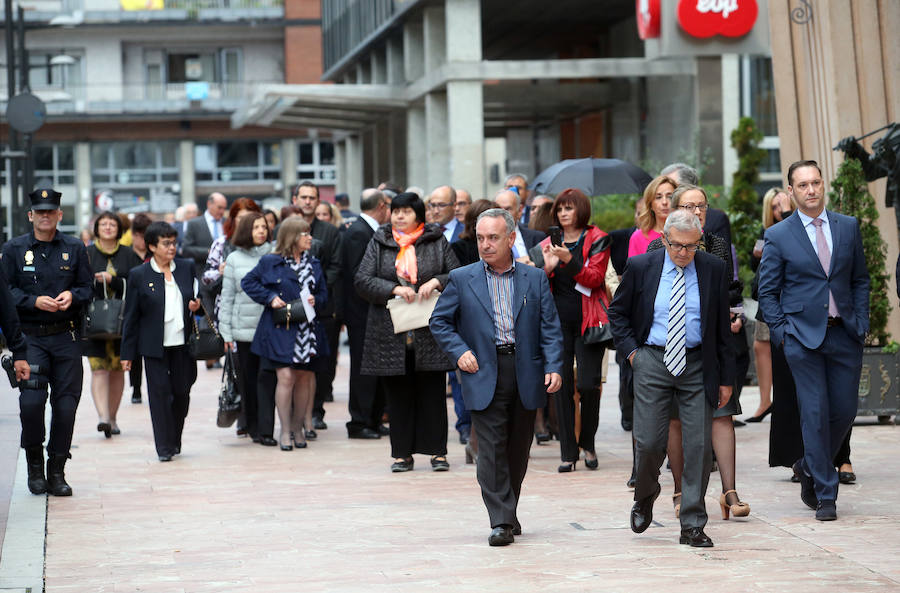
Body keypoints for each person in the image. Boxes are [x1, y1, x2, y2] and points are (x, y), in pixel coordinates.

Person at [430, 208, 563, 546]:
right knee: (489, 449)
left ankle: (509, 508)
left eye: (493, 238)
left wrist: (554, 366)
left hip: (525, 371)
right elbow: (439, 322)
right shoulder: (462, 278)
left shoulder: (533, 279)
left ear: (511, 239)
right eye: (480, 238)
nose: (486, 245)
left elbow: (549, 327)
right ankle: (500, 520)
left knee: (518, 448)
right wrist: (459, 351)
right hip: (482, 370)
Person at [608, 209, 735, 548]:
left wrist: (725, 377)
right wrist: (633, 354)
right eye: (677, 245)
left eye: (692, 246)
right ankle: (645, 494)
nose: (684, 253)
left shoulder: (713, 269)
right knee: (649, 442)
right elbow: (617, 313)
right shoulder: (640, 267)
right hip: (652, 358)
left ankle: (692, 522)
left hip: (697, 363)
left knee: (698, 447)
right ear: (663, 239)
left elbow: (722, 328)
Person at [758, 159, 870, 521]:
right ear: (791, 191)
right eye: (803, 185)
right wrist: (782, 334)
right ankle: (826, 493)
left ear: (824, 185)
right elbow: (768, 292)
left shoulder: (848, 227)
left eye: (816, 183)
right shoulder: (779, 235)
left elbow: (860, 280)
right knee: (815, 413)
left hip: (844, 334)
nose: (811, 190)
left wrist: (862, 322)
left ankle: (808, 463)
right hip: (802, 339)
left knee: (845, 411)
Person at [646, 185, 749, 520]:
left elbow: (732, 288)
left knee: (721, 415)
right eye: (688, 205)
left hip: (712, 347)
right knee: (676, 423)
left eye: (701, 205)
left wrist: (734, 313)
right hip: (670, 353)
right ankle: (679, 489)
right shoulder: (655, 248)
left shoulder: (718, 246)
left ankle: (728, 490)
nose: (696, 210)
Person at [354, 192, 459, 472]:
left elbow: (458, 275)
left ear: (418, 216)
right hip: (391, 331)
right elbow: (362, 280)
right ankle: (402, 454)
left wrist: (437, 280)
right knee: (397, 396)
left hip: (430, 330)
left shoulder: (436, 240)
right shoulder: (380, 241)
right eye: (396, 211)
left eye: (406, 212)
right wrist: (393, 288)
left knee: (432, 394)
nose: (399, 216)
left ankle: (438, 452)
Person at [1, 187, 92, 496]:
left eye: (50, 212)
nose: (45, 216)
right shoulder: (13, 249)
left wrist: (73, 295)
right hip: (30, 338)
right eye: (39, 212)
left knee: (66, 408)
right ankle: (35, 465)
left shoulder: (75, 247)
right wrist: (33, 301)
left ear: (59, 215)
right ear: (31, 216)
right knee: (31, 404)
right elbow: (6, 292)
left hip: (66, 337)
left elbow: (86, 286)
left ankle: (57, 470)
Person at [535, 188, 611, 472]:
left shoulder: (598, 238)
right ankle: (568, 451)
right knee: (560, 385)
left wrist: (569, 259)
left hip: (590, 321)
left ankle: (587, 442)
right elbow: (535, 283)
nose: (564, 213)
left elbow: (594, 279)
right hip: (556, 323)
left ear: (581, 210)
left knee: (589, 384)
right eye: (560, 209)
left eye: (569, 208)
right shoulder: (547, 243)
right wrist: (547, 267)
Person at [242, 217, 328, 451]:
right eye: (304, 234)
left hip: (307, 329)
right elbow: (248, 282)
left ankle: (299, 428)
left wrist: (315, 300)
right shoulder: (271, 261)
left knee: (301, 378)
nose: (310, 238)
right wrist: (269, 298)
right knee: (286, 378)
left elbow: (324, 295)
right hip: (280, 328)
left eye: (309, 233)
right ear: (292, 237)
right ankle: (285, 431)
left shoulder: (314, 264)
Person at [120, 222, 202, 462]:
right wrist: (127, 353)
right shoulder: (139, 275)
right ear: (152, 246)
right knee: (159, 395)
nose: (172, 247)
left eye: (174, 242)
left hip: (183, 344)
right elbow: (131, 317)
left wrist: (197, 305)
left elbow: (197, 297)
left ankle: (175, 438)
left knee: (181, 393)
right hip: (154, 346)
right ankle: (164, 447)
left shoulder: (186, 267)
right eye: (166, 243)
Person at [84, 212, 143, 438]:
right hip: (95, 322)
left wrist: (113, 281)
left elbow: (136, 283)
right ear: (96, 228)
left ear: (119, 229)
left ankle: (114, 417)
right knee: (98, 369)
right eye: (103, 224)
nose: (108, 227)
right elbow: (79, 283)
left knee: (118, 370)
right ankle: (103, 417)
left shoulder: (128, 255)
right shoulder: (87, 253)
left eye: (112, 224)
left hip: (123, 323)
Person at [218, 212, 273, 444]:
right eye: (255, 227)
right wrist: (226, 332)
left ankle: (267, 427)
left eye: (264, 227)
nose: (261, 231)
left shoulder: (275, 255)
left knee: (268, 381)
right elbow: (227, 298)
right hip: (243, 331)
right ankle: (252, 426)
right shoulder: (234, 259)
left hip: (271, 330)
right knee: (249, 381)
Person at [291, 181, 342, 430]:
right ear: (295, 200)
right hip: (290, 310)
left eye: (312, 197)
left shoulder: (330, 232)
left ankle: (316, 410)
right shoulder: (285, 229)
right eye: (304, 197)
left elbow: (336, 266)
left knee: (321, 362)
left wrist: (316, 288)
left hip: (321, 308)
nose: (308, 201)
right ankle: (294, 413)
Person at [342, 189, 391, 439]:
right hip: (361, 314)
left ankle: (372, 419)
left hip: (375, 313)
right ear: (382, 206)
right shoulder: (357, 233)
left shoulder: (369, 231)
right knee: (362, 369)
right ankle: (359, 421)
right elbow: (357, 277)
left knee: (376, 367)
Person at [748, 187, 793, 422]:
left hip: (788, 300)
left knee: (782, 350)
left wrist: (788, 213)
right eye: (774, 206)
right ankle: (765, 401)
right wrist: (756, 256)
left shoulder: (795, 226)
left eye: (781, 205)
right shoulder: (767, 231)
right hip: (767, 298)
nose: (778, 210)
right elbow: (756, 270)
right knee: (760, 346)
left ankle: (780, 402)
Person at [661, 163, 732, 246]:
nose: (664, 200)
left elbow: (723, 257)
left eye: (671, 186)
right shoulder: (662, 218)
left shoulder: (715, 221)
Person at [126, 213, 153, 404]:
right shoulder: (127, 255)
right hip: (133, 307)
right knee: (134, 352)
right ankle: (136, 387)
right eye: (139, 235)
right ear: (133, 234)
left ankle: (152, 385)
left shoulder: (154, 255)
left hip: (152, 307)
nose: (142, 240)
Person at [494, 189, 546, 264]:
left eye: (508, 209)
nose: (503, 213)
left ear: (519, 210)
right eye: (498, 209)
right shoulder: (486, 241)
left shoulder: (537, 237)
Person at [627, 175, 675, 257]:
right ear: (650, 204)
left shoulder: (691, 232)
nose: (664, 202)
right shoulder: (638, 237)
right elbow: (635, 269)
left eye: (669, 196)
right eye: (658, 197)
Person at [182, 192, 228, 268]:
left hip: (224, 273)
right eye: (219, 208)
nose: (222, 211)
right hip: (202, 271)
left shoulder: (227, 222)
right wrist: (209, 252)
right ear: (209, 204)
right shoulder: (194, 224)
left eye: (224, 208)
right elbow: (186, 249)